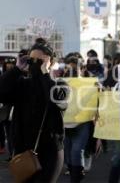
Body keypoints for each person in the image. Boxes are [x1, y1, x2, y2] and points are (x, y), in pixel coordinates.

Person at [0, 38, 69, 183]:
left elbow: (55, 99)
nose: (35, 65)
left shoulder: (60, 85)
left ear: (51, 63)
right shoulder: (22, 84)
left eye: (40, 61)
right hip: (22, 150)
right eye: (32, 60)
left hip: (50, 151)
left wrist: (45, 73)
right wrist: (17, 69)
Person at [63, 55, 92, 183]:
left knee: (76, 151)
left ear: (82, 69)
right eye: (69, 69)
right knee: (67, 154)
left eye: (75, 69)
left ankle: (76, 178)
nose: (72, 71)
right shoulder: (59, 83)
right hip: (65, 124)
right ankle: (76, 172)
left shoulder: (90, 83)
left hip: (82, 123)